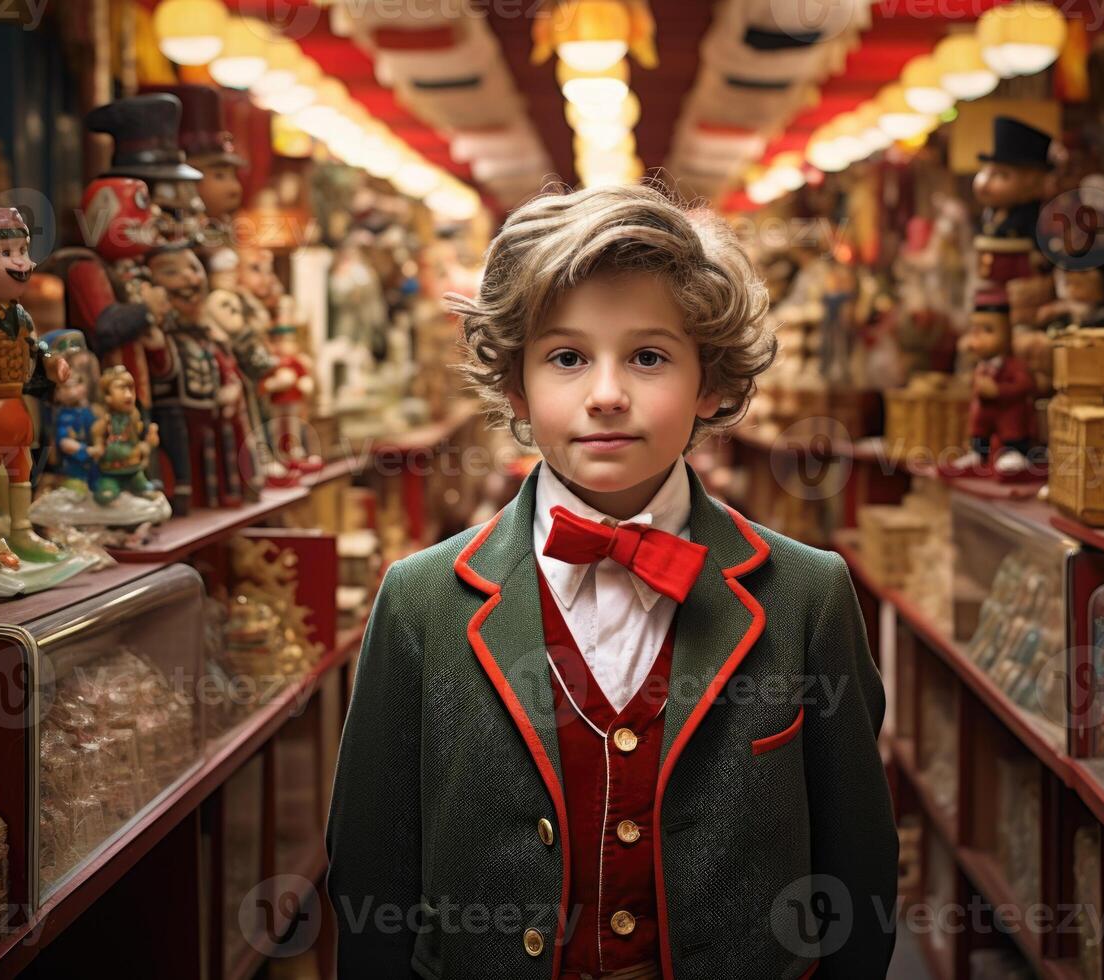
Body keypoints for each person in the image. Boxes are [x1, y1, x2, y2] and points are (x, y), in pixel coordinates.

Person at [326, 184, 897, 979]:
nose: (605, 394)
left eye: (649, 356)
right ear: (517, 384)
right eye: (566, 357)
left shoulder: (806, 595)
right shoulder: (420, 600)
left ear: (711, 382)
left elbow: (859, 874)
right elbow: (371, 882)